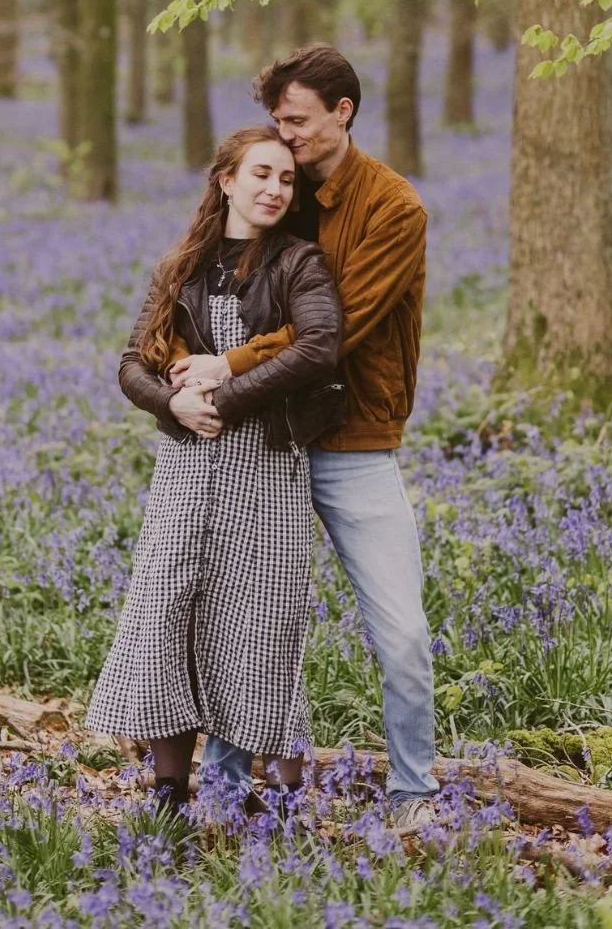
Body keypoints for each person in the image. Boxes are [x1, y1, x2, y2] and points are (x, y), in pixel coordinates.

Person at [171, 45, 439, 834]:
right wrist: (176, 388)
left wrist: (226, 366)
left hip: (354, 443)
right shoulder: (274, 193)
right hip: (264, 443)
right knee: (236, 617)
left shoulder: (394, 208)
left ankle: (414, 797)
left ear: (341, 113)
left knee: (403, 634)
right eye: (277, 125)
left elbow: (335, 330)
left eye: (296, 123)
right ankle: (223, 792)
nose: (281, 141)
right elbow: (198, 297)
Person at [85, 125, 343, 821]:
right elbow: (130, 365)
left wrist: (223, 398)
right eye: (261, 174)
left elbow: (319, 349)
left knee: (263, 624)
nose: (274, 189)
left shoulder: (299, 265)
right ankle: (170, 796)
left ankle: (285, 803)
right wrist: (172, 402)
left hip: (264, 468)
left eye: (287, 180)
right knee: (170, 616)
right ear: (226, 180)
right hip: (186, 472)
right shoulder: (182, 267)